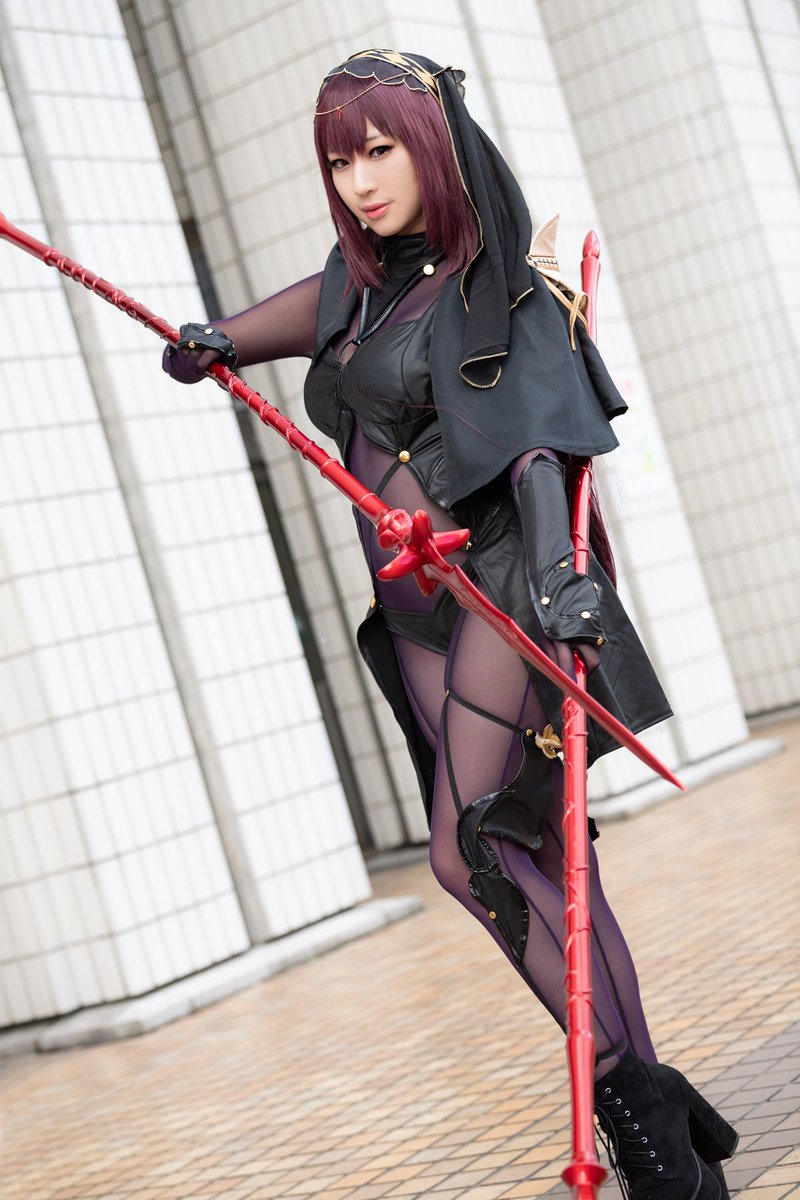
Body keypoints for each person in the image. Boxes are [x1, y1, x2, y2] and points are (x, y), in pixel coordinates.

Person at [163, 49, 738, 1200]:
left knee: (469, 849)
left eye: (379, 151)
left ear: (429, 144)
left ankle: (637, 1120)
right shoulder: (357, 287)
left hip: (497, 590)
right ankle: (663, 1118)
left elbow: (537, 444)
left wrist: (565, 577)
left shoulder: (498, 289)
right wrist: (211, 338)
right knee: (548, 868)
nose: (360, 181)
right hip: (412, 616)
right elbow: (273, 325)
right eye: (340, 162)